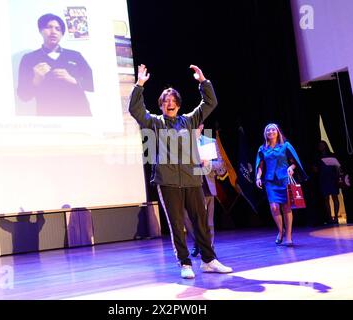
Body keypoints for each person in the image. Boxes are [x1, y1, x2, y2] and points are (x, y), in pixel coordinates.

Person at [129, 64, 232, 279]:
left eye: (173, 101)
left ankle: (208, 260)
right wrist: (139, 85)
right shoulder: (155, 123)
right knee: (177, 224)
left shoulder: (189, 120)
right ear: (161, 105)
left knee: (201, 222)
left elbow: (210, 102)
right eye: (166, 102)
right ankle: (185, 263)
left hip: (192, 179)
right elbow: (135, 110)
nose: (170, 104)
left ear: (178, 104)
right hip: (167, 181)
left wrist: (203, 82)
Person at [17, 13, 94, 116]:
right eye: (49, 27)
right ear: (40, 31)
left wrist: (74, 80)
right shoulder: (29, 59)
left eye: (58, 29)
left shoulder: (75, 56)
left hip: (80, 113)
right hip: (49, 117)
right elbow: (23, 96)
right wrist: (36, 80)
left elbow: (94, 84)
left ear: (62, 34)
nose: (53, 32)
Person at [255, 123, 307, 246]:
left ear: (278, 132)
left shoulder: (285, 145)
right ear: (265, 134)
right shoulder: (262, 148)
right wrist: (258, 177)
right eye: (268, 130)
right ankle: (280, 231)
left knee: (286, 207)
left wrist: (292, 167)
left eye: (273, 129)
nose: (270, 132)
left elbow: (294, 161)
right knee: (274, 207)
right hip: (270, 181)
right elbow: (260, 165)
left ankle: (288, 235)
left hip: (284, 179)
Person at [184, 123, 227, 257]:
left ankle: (209, 248)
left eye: (196, 125)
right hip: (190, 185)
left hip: (207, 186)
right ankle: (198, 242)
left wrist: (208, 164)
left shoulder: (210, 142)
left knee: (208, 221)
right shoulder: (184, 143)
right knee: (188, 218)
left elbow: (221, 164)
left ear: (201, 127)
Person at [315, 140, 341, 225]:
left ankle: (336, 217)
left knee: (335, 197)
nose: (321, 147)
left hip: (332, 178)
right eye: (320, 145)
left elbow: (338, 167)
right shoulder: (317, 157)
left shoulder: (332, 155)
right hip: (323, 179)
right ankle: (329, 217)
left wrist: (338, 177)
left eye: (323, 145)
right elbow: (315, 169)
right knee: (326, 199)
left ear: (326, 146)